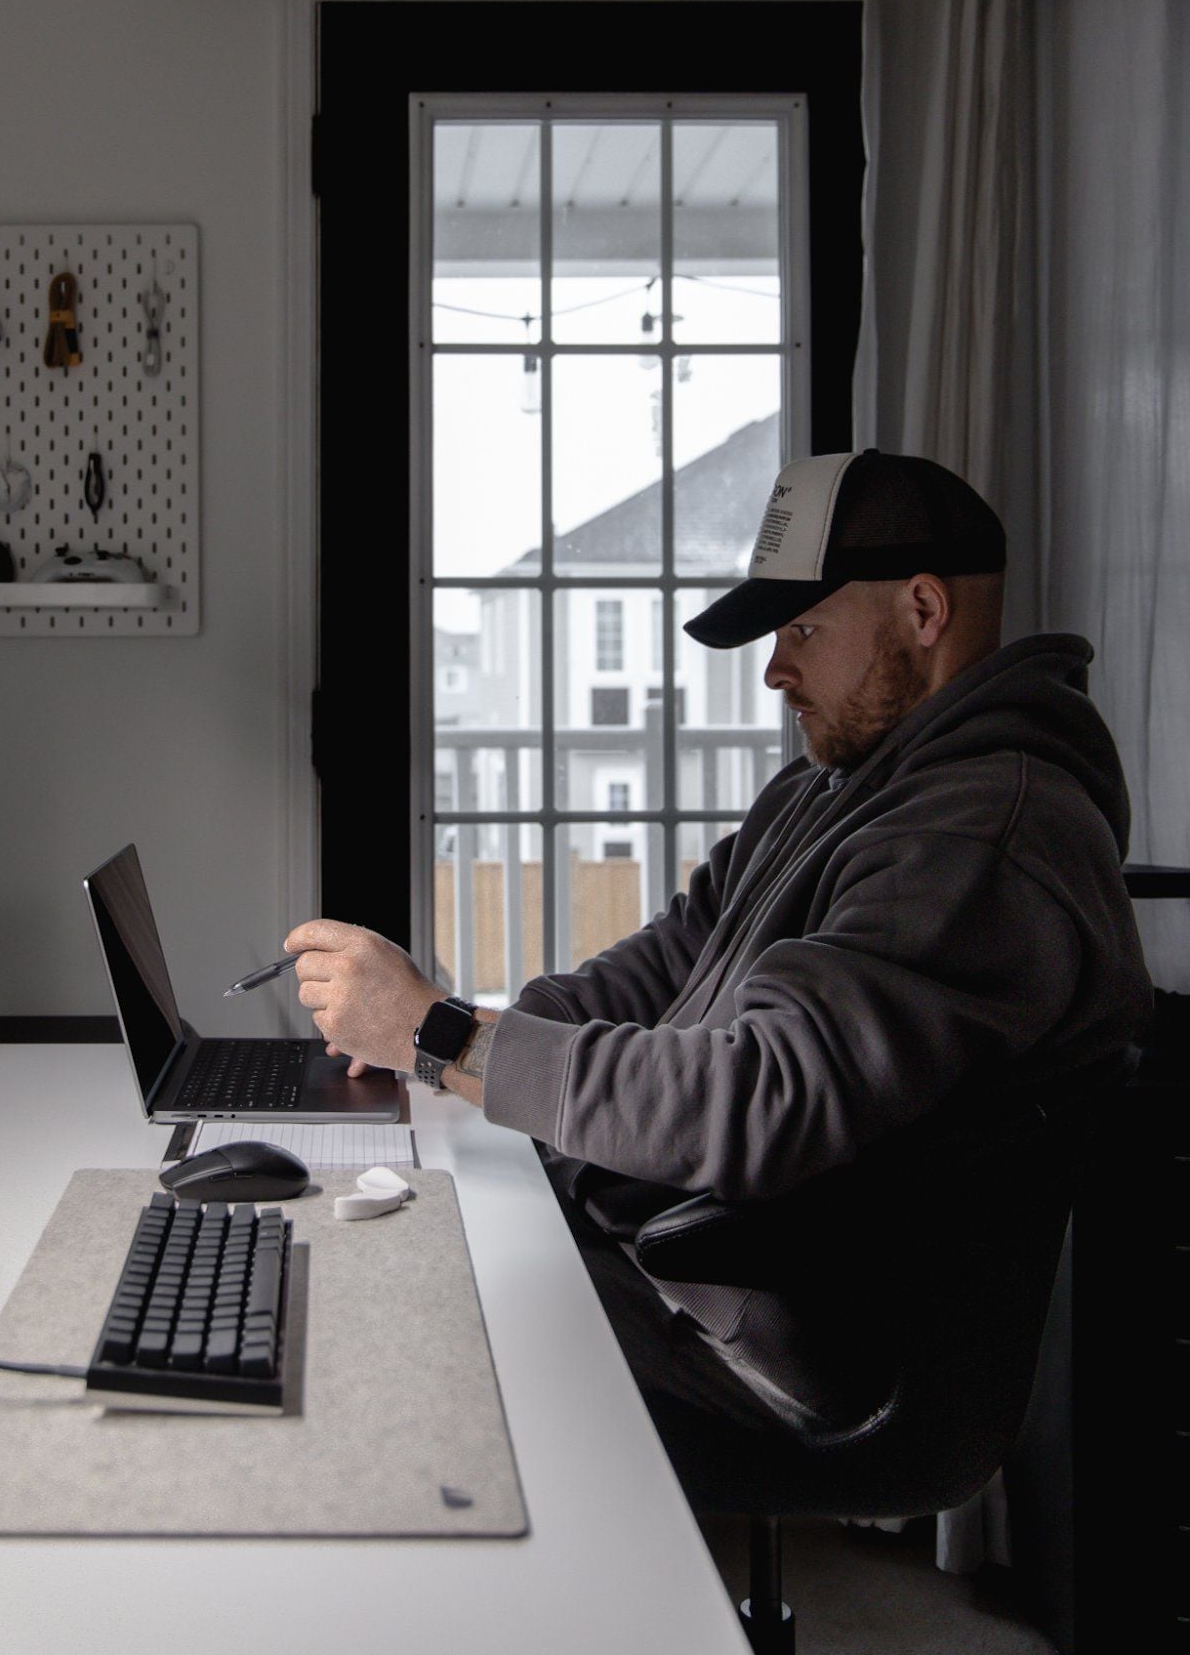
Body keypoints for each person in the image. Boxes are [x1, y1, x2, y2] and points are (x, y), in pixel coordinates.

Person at [285, 449, 1152, 1437]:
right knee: (396, 1244)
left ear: (922, 610)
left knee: (394, 1318)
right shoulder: (832, 787)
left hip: (784, 1336)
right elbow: (666, 962)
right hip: (688, 1254)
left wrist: (445, 1037)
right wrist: (434, 1040)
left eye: (802, 627)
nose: (776, 667)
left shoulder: (980, 835)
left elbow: (758, 1097)